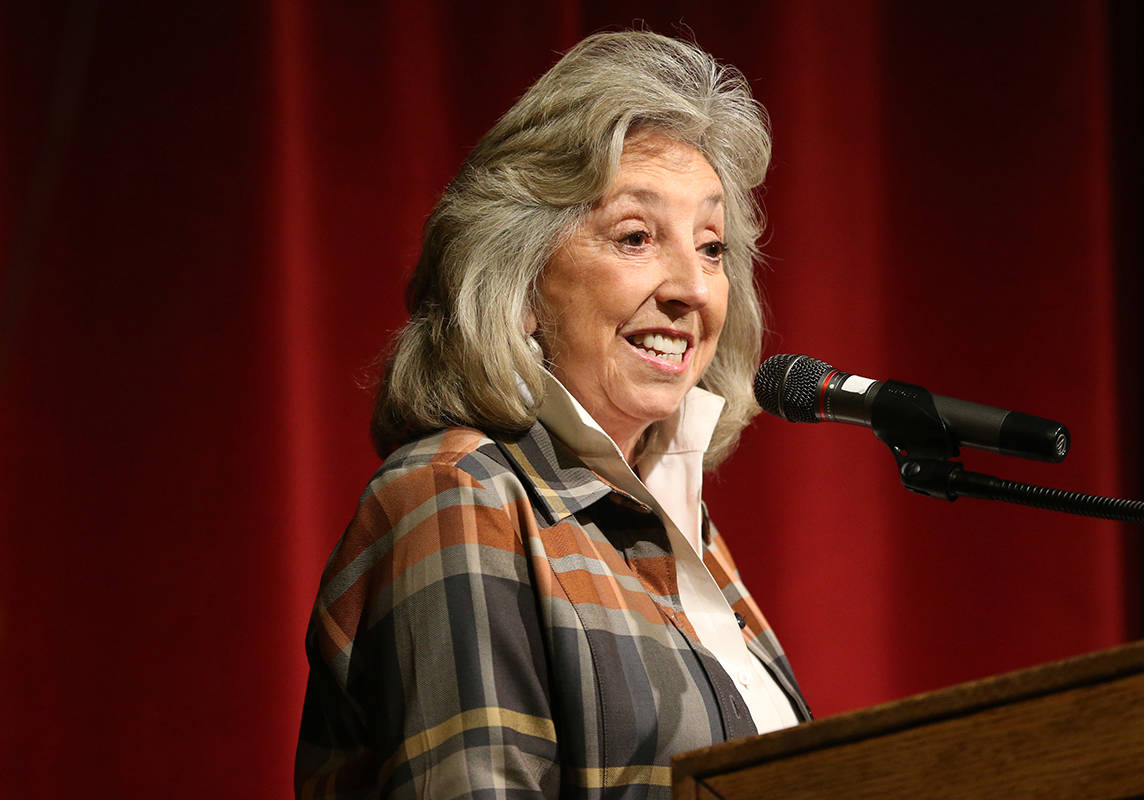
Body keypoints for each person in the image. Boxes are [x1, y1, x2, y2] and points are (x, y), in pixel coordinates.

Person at [295, 30, 812, 799]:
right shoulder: (461, 495)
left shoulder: (676, 524)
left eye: (711, 247)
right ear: (521, 280)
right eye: (636, 237)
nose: (693, 289)